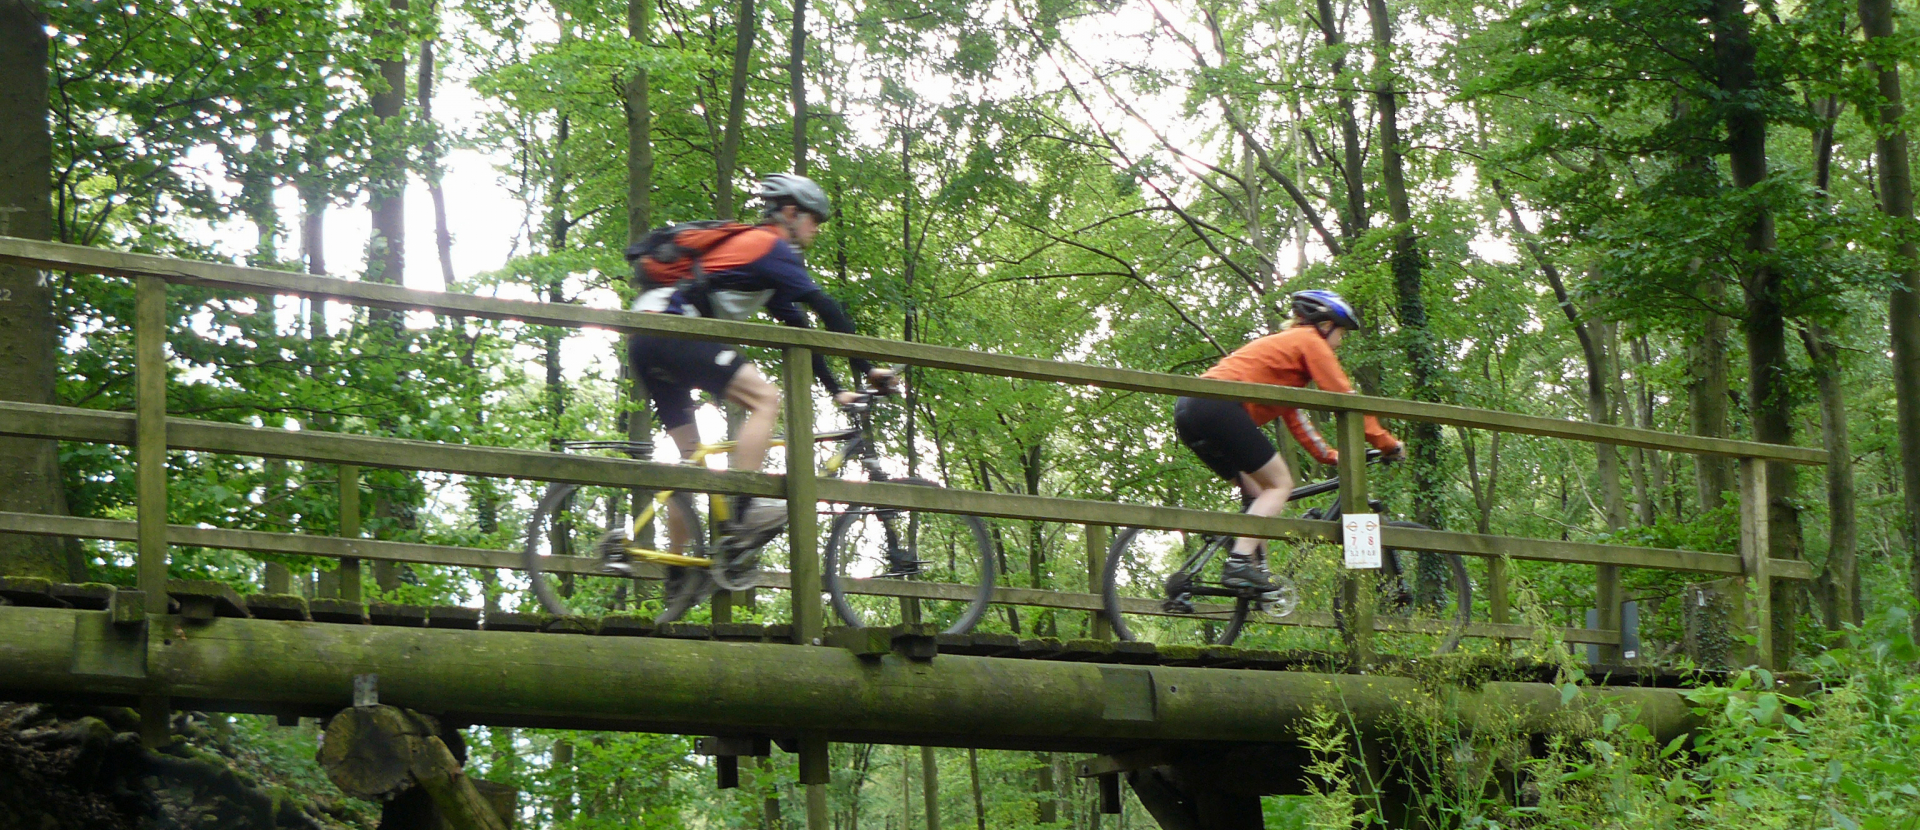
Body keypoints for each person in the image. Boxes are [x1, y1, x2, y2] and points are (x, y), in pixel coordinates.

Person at [608, 173, 892, 574]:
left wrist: (838, 389)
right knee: (766, 398)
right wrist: (869, 367)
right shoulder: (770, 246)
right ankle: (745, 505)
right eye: (813, 219)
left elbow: (801, 331)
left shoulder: (761, 261)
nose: (816, 228)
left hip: (647, 340)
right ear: (790, 212)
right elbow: (826, 307)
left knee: (692, 462)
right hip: (674, 331)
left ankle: (681, 578)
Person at [1172, 289, 1404, 591]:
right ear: (1325, 326)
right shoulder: (1310, 341)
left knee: (1258, 494)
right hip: (1218, 405)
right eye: (1341, 333)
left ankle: (1253, 577)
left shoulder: (1287, 360)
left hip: (1189, 410)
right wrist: (1388, 443)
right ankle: (1239, 563)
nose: (1341, 341)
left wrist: (1332, 456)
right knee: (1280, 484)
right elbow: (1345, 399)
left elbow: (1297, 421)